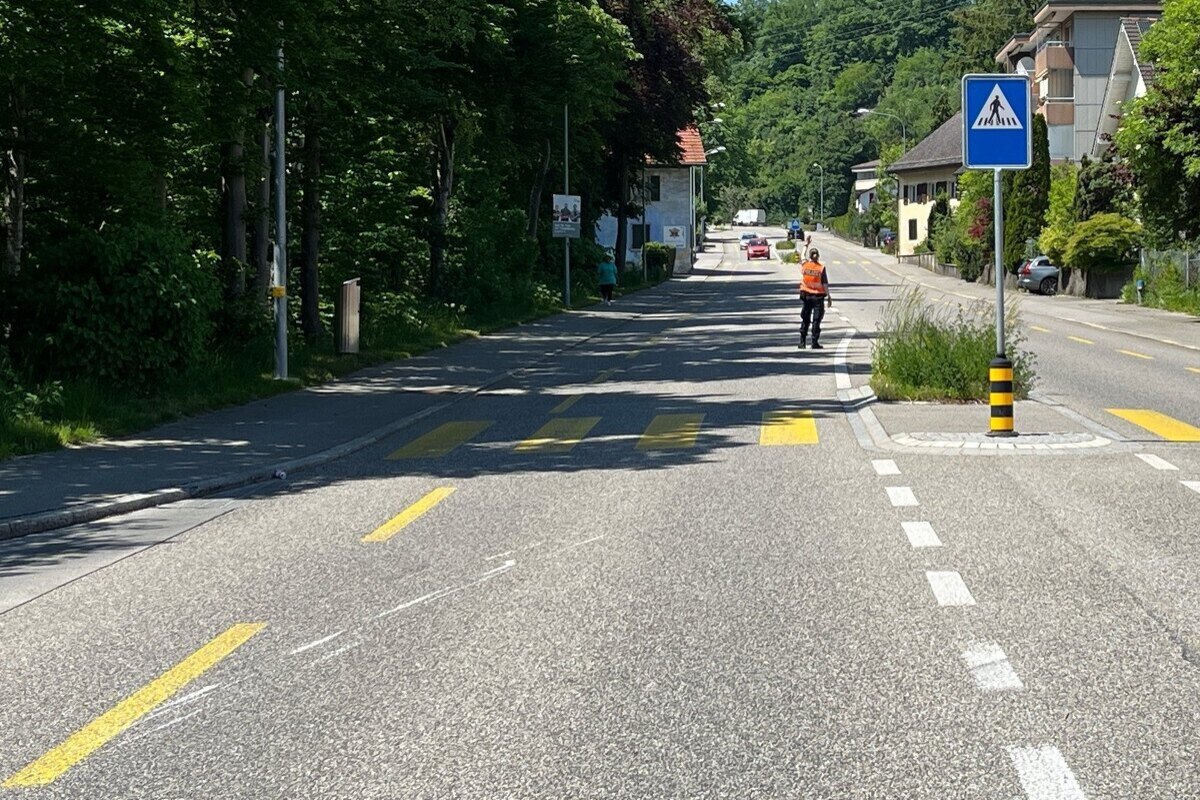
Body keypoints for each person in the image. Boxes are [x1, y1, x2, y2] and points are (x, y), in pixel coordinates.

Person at [798, 247, 833, 349]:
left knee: (805, 318)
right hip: (818, 297)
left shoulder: (805, 265)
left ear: (810, 256)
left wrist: (806, 244)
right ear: (818, 256)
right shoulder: (821, 268)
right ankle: (814, 342)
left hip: (806, 296)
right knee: (816, 320)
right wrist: (829, 297)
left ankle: (802, 342)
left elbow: (802, 256)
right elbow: (825, 284)